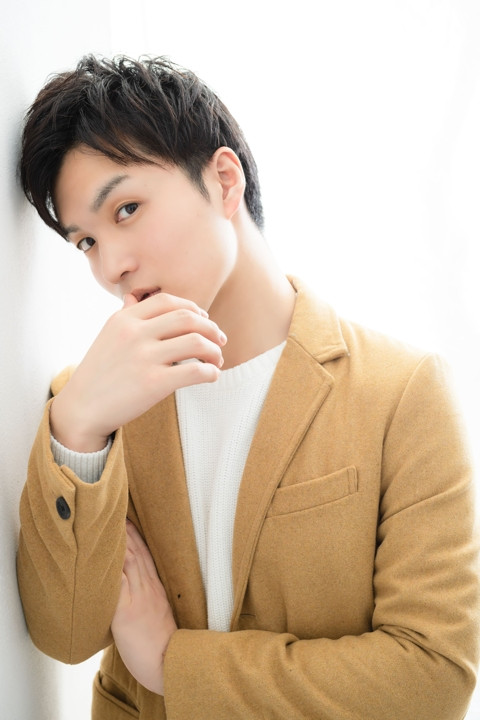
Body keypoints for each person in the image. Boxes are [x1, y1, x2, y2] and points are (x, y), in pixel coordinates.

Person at [17, 54, 479, 720]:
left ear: (224, 182)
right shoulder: (91, 403)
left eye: (127, 209)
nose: (112, 266)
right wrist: (79, 428)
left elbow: (433, 678)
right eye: (85, 242)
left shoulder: (401, 391)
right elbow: (63, 636)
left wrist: (173, 666)